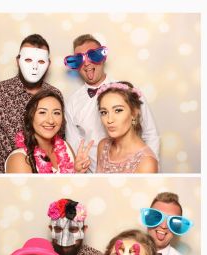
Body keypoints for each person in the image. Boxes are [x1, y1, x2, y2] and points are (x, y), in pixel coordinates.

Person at [64, 34, 159, 173]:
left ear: (103, 57)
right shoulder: (72, 103)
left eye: (93, 56)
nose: (87, 63)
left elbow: (150, 134)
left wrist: (149, 170)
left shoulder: (128, 92)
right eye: (79, 59)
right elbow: (74, 146)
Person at [0, 34, 63, 173]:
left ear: (48, 64)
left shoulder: (55, 94)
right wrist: (7, 175)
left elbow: (59, 138)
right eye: (28, 60)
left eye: (41, 61)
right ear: (18, 61)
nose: (35, 67)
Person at [5, 91, 91, 173]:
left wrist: (78, 173)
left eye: (56, 113)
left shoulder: (66, 147)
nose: (51, 121)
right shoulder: (19, 159)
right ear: (30, 116)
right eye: (42, 112)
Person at [96, 81, 158, 173]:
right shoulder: (102, 146)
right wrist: (79, 172)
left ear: (134, 113)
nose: (109, 120)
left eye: (118, 110)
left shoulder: (147, 163)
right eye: (104, 112)